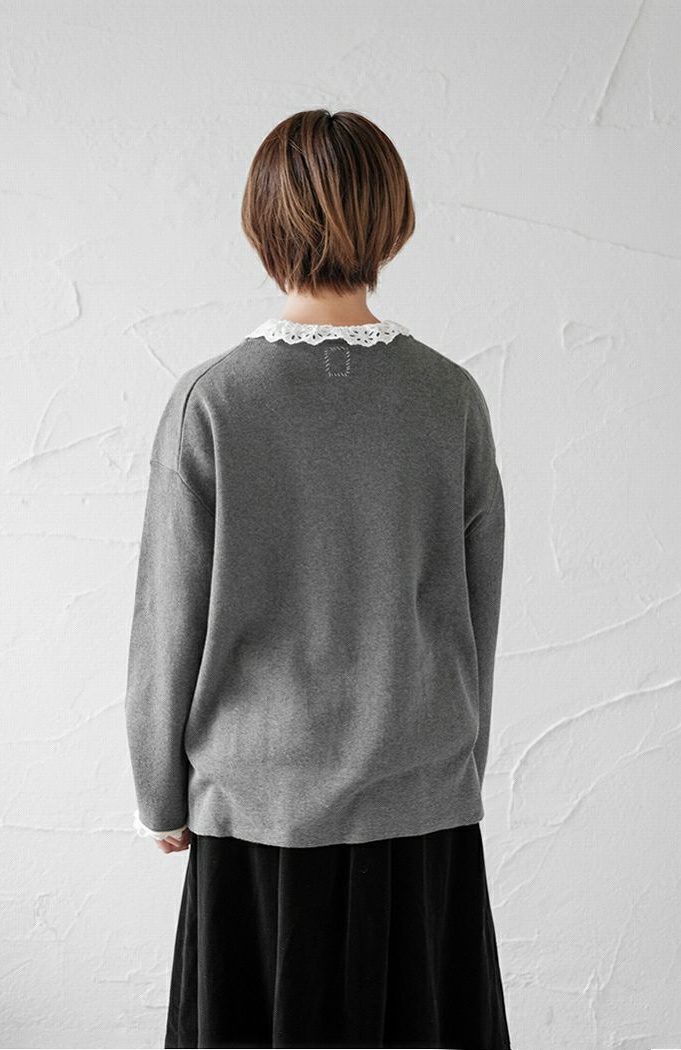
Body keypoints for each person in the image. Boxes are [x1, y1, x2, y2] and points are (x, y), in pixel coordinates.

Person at [124, 108, 511, 1050]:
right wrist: (456, 770)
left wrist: (159, 795)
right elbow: (475, 614)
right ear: (392, 220)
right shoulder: (449, 398)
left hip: (257, 810)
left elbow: (168, 616)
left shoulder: (213, 400)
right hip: (419, 803)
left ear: (261, 221)